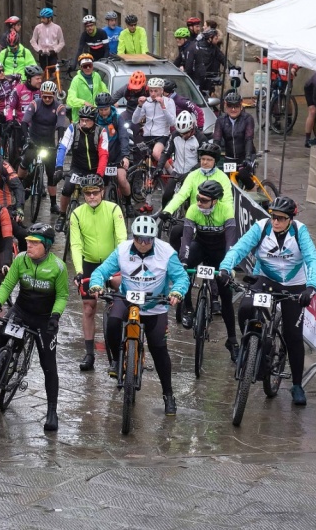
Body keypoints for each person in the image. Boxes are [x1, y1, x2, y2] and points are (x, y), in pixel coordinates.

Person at [218, 196, 316, 405]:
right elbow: (239, 249)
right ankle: (250, 346)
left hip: (294, 285)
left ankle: (297, 385)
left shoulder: (300, 232)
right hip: (265, 280)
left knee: (293, 335)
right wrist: (225, 268)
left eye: (281, 218)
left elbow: (312, 260)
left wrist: (311, 287)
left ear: (290, 219)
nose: (276, 222)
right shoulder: (261, 227)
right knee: (246, 308)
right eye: (273, 216)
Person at [90, 216, 188, 415]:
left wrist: (177, 292)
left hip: (155, 304)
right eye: (139, 239)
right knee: (114, 322)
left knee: (159, 349)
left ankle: (168, 395)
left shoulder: (167, 252)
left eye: (148, 239)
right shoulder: (123, 250)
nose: (143, 243)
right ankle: (117, 360)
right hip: (127, 298)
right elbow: (101, 271)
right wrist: (96, 284)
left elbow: (181, 277)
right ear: (133, 237)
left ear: (154, 238)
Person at [0, 223, 67, 432]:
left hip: (44, 318)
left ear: (46, 246)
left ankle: (52, 411)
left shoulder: (58, 267)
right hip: (20, 312)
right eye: (28, 241)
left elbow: (62, 296)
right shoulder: (21, 260)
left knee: (49, 366)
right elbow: (8, 284)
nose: (28, 245)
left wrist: (55, 317)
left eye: (34, 243)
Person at [68, 173, 126, 371]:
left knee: (122, 303)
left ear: (102, 192)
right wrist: (78, 271)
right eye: (87, 194)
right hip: (90, 264)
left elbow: (121, 239)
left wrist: (123, 265)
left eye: (95, 193)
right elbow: (75, 245)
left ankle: (125, 347)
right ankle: (89, 353)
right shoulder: (76, 214)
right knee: (88, 308)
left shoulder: (113, 209)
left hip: (113, 262)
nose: (91, 197)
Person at [178, 179, 239, 357]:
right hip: (201, 246)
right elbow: (186, 240)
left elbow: (231, 243)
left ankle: (232, 340)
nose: (199, 202)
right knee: (184, 268)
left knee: (226, 295)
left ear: (215, 201)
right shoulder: (193, 209)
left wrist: (227, 267)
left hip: (220, 252)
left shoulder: (226, 210)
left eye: (204, 200)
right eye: (198, 198)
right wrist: (183, 261)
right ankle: (188, 308)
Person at [55, 105, 109, 229]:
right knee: (67, 188)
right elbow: (63, 147)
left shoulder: (101, 131)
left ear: (94, 121)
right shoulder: (72, 128)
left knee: (96, 195)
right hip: (77, 167)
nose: (83, 123)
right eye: (82, 120)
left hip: (95, 170)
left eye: (87, 121)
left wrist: (99, 174)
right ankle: (62, 215)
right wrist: (58, 167)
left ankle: (99, 218)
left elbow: (103, 154)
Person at [18, 80, 68, 214]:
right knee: (26, 160)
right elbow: (24, 122)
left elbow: (61, 126)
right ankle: (18, 182)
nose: (46, 99)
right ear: (41, 95)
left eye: (49, 97)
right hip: (34, 140)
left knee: (51, 174)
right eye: (44, 96)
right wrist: (27, 138)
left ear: (54, 96)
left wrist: (60, 142)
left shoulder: (59, 107)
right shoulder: (35, 104)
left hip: (49, 143)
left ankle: (53, 204)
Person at [158, 111, 200, 209]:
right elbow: (166, 152)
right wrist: (159, 167)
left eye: (185, 133)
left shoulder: (200, 138)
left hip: (193, 174)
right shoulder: (175, 135)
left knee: (191, 202)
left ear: (192, 128)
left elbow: (202, 161)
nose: (183, 136)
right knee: (166, 196)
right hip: (177, 172)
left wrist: (190, 173)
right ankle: (164, 218)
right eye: (181, 133)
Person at [132, 77, 177, 165]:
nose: (153, 94)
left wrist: (163, 107)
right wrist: (139, 106)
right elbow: (134, 120)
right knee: (145, 158)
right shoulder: (146, 102)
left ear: (161, 90)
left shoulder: (169, 101)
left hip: (162, 135)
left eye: (156, 91)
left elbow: (172, 122)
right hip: (148, 135)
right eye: (151, 91)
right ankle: (152, 177)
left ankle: (171, 171)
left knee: (156, 154)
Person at [65, 54, 109, 123]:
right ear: (81, 67)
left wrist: (110, 100)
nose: (88, 68)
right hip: (80, 119)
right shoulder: (76, 80)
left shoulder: (97, 76)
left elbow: (104, 90)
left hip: (95, 116)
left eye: (90, 65)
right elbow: (70, 99)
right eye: (85, 66)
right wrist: (84, 103)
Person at [30, 8, 65, 76]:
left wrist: (55, 50)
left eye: (43, 18)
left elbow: (62, 42)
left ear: (49, 18)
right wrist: (38, 50)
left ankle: (56, 85)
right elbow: (33, 41)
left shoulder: (57, 28)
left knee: (55, 74)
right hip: (42, 54)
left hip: (52, 55)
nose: (41, 20)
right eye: (41, 18)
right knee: (43, 74)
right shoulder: (38, 28)